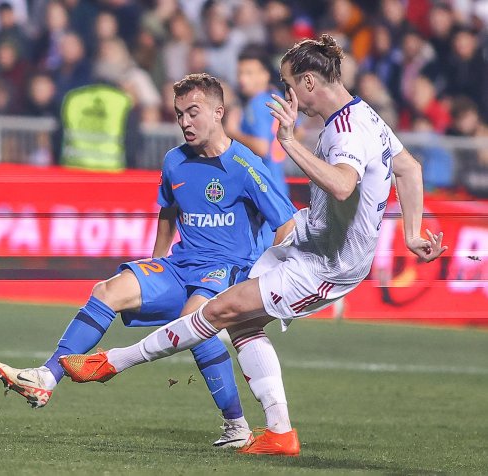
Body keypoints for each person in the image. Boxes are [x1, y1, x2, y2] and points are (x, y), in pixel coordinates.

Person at [58, 35, 447, 456]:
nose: (287, 95)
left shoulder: (346, 133)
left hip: (326, 264)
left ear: (310, 83)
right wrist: (411, 232)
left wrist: (291, 143)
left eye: (288, 85)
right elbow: (408, 169)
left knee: (218, 311)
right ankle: (279, 432)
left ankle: (113, 362)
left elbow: (341, 185)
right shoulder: (364, 114)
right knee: (241, 323)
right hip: (308, 236)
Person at [0, 72, 297, 448]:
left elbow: (286, 224)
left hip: (226, 270)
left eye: (193, 112)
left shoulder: (246, 165)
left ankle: (236, 426)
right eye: (179, 113)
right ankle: (47, 378)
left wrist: (272, 280)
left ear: (219, 112)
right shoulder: (174, 162)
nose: (185, 122)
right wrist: (155, 265)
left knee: (194, 321)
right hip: (180, 265)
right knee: (108, 290)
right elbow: (168, 212)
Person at [227, 47, 290, 246]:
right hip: (279, 185)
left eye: (249, 73)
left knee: (259, 260)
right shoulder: (276, 98)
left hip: (262, 190)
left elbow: (263, 147)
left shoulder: (257, 104)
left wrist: (232, 131)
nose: (242, 79)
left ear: (264, 74)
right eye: (240, 73)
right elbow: (299, 131)